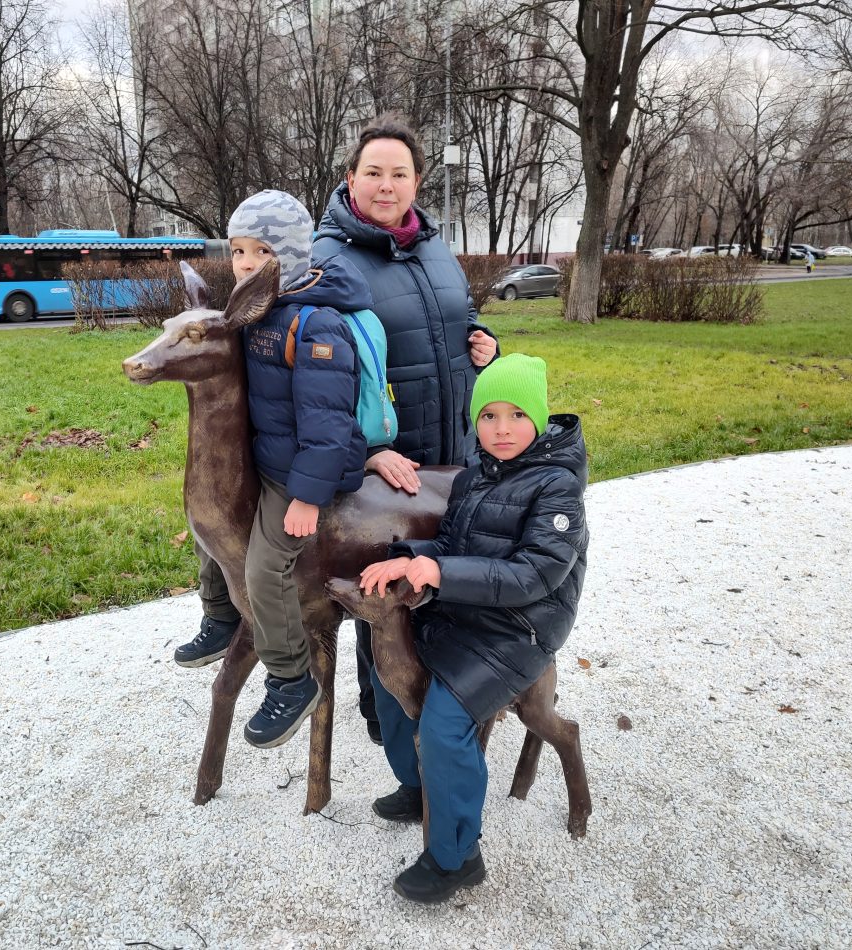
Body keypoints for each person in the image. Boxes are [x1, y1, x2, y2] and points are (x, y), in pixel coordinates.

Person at [357, 353, 589, 904]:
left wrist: (439, 572)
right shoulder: (475, 475)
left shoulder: (556, 488)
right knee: (388, 679)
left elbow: (535, 574)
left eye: (515, 415)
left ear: (538, 418)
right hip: (464, 608)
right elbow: (454, 547)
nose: (501, 429)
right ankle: (418, 789)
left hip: (519, 627)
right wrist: (407, 556)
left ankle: (456, 856)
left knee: (443, 720)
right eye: (488, 416)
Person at [311, 113, 499, 744]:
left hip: (454, 449)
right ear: (350, 179)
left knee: (445, 577)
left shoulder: (434, 245)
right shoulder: (326, 258)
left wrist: (484, 345)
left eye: (399, 174)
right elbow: (316, 375)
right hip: (390, 463)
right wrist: (366, 453)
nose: (385, 186)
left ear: (417, 181)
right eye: (373, 173)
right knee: (384, 587)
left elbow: (464, 314)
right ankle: (384, 715)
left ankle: (444, 700)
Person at [182, 189, 373, 749]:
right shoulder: (253, 313)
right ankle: (220, 619)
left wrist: (308, 498)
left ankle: (291, 679)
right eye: (238, 250)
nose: (244, 262)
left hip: (299, 475)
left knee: (264, 571)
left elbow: (328, 426)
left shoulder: (315, 327)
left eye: (258, 250)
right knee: (208, 532)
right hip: (268, 458)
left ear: (286, 256)